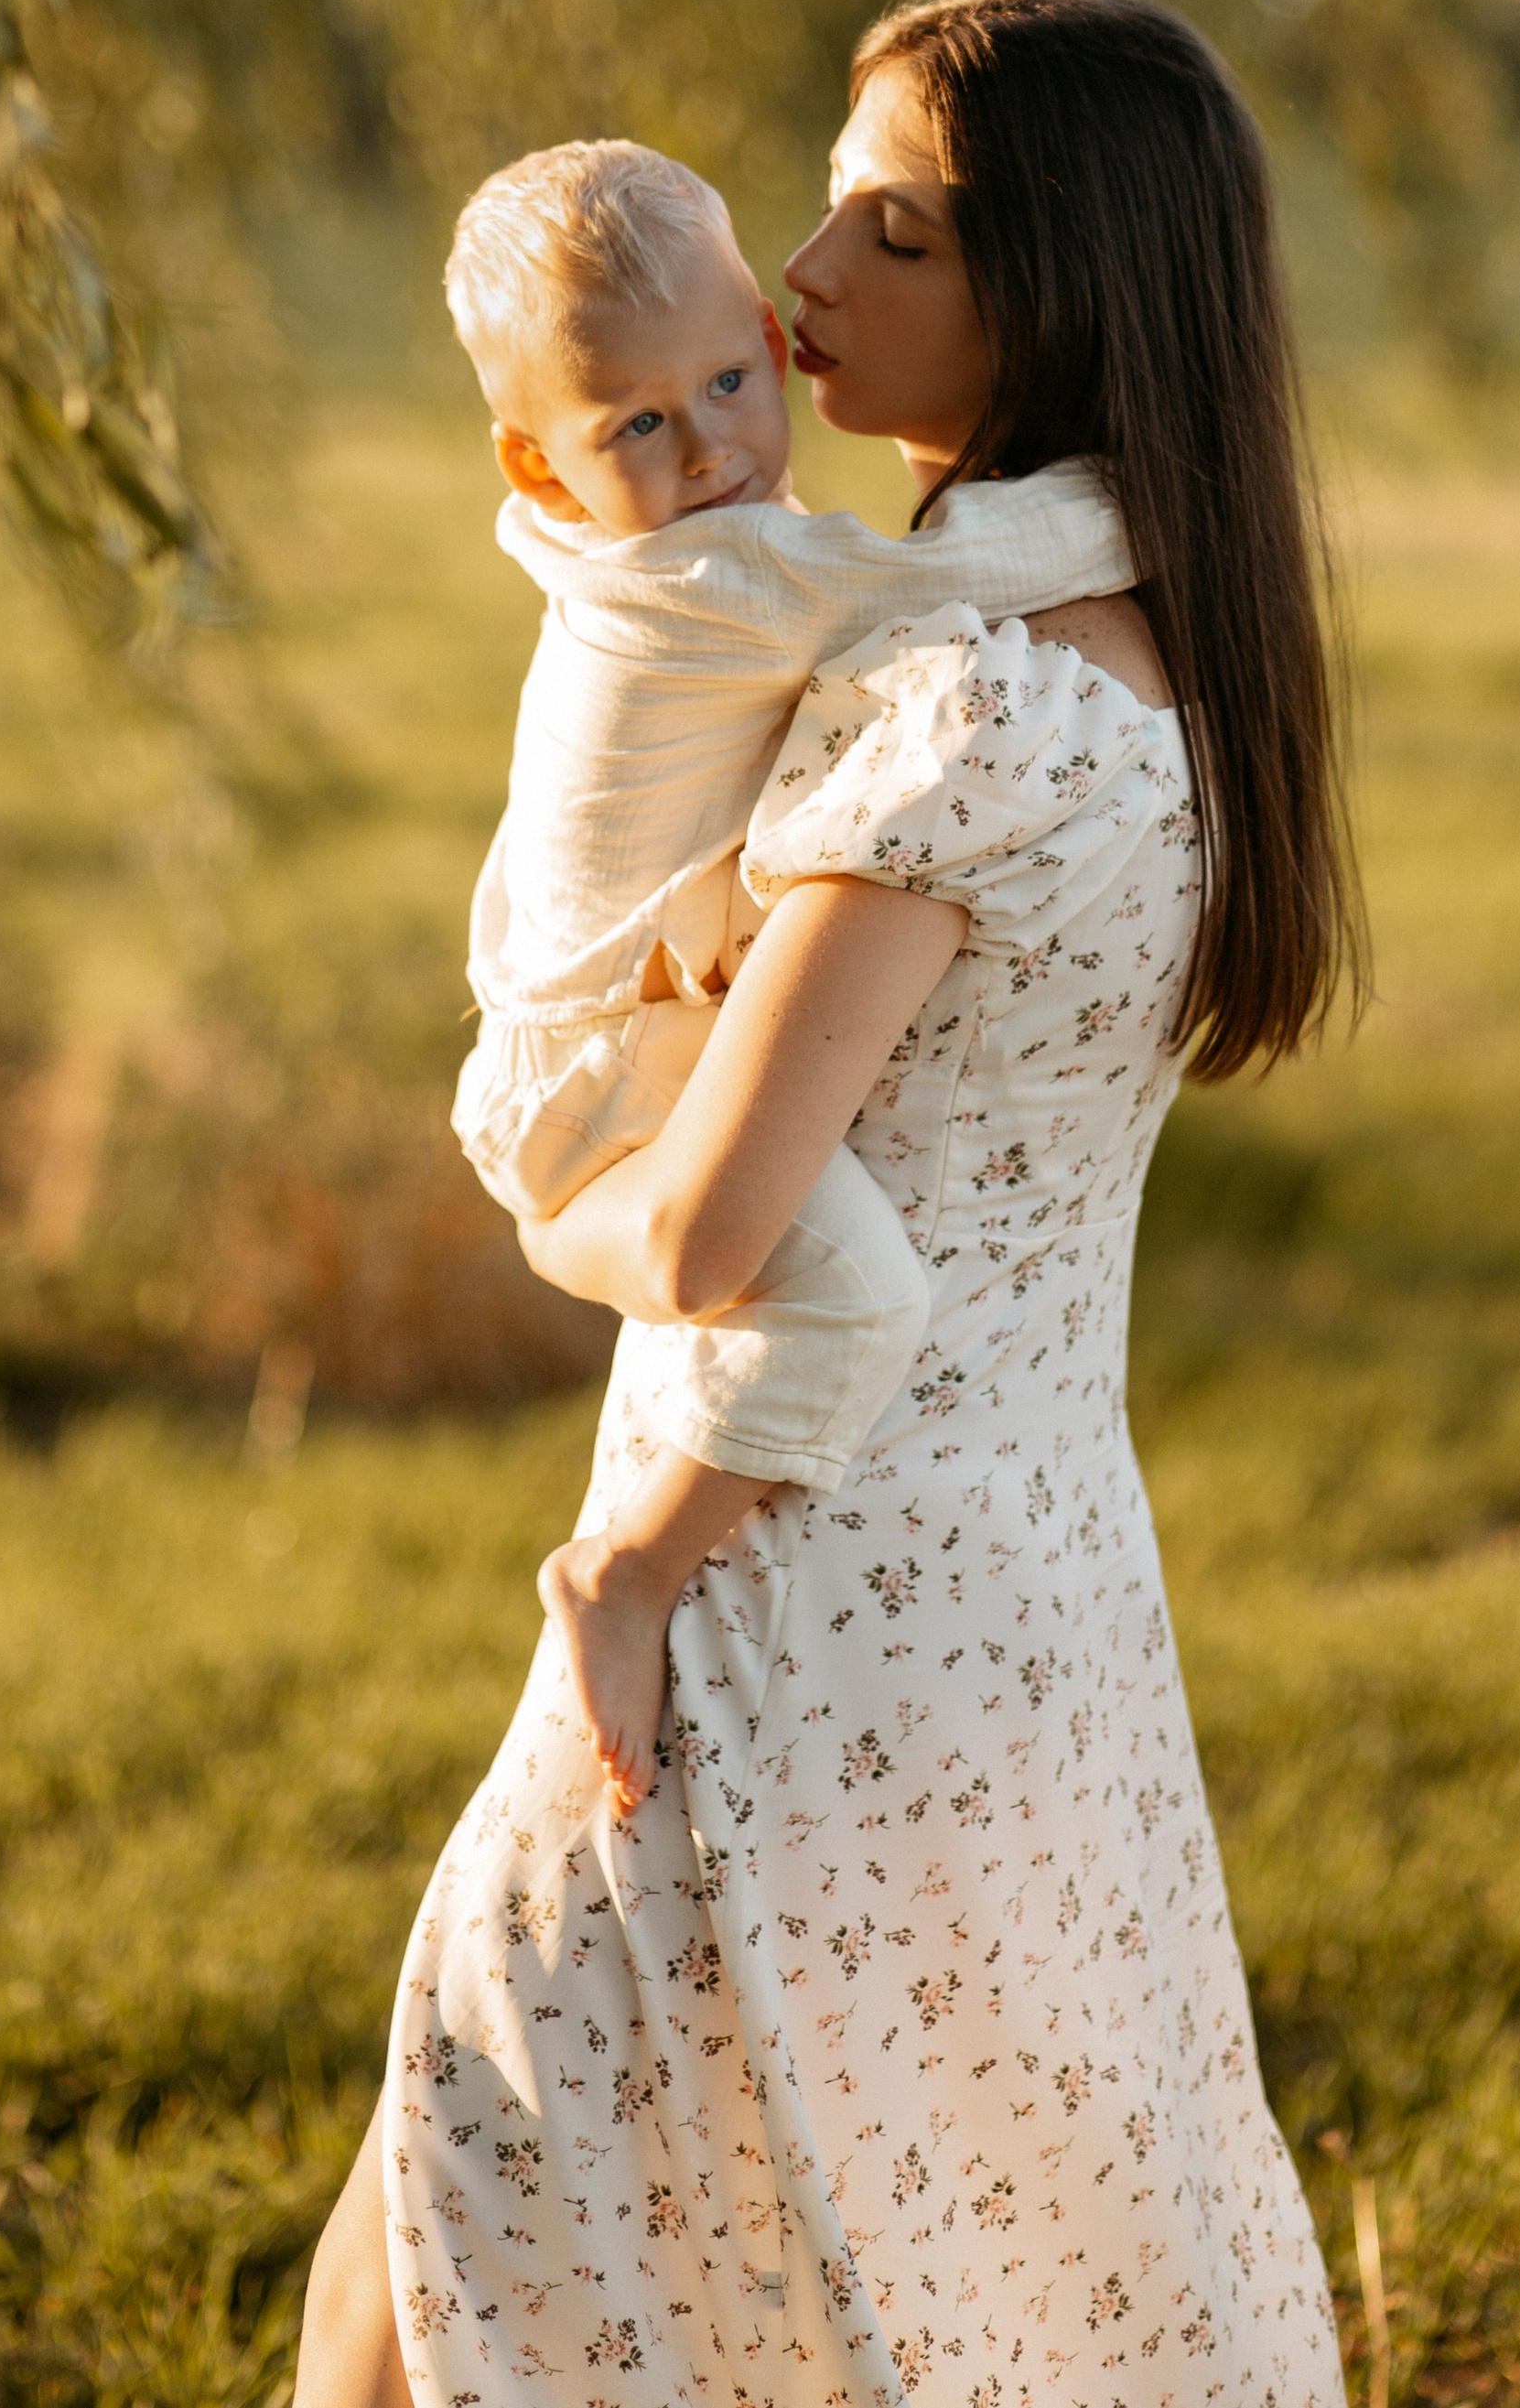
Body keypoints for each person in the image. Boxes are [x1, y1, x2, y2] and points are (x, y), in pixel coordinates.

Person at [296, 0, 1364, 2408]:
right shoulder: (1161, 650)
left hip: (775, 1594)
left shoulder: (961, 706)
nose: (796, 273)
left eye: (888, 230)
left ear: (1054, 293)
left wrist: (538, 1134)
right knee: (929, 2230)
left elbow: (698, 1235)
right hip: (1037, 1582)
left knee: (468, 2198)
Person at [439, 136, 1128, 1813]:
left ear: (762, 326)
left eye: (731, 380)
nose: (714, 449)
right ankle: (632, 1569)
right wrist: (1155, 483)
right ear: (539, 468)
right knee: (858, 1293)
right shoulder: (723, 569)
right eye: (636, 427)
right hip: (599, 1069)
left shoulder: (628, 556)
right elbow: (972, 571)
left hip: (577, 1015)